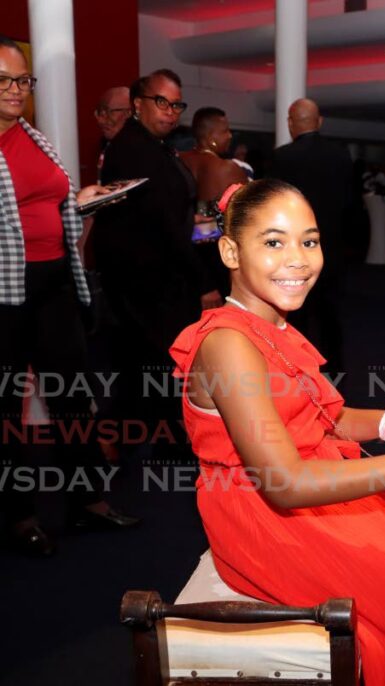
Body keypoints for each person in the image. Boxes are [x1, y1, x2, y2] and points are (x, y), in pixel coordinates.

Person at [169, 179, 385, 685]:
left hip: (302, 488)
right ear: (229, 251)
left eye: (309, 241)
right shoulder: (228, 344)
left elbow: (323, 417)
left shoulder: (273, 324)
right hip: (262, 515)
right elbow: (284, 483)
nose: (298, 259)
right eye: (274, 242)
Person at [0, 36, 138, 557]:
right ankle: (17, 516)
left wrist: (81, 202)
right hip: (5, 291)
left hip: (55, 279)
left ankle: (87, 503)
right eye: (4, 80)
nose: (16, 90)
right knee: (6, 410)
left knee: (73, 397)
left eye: (22, 80)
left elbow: (48, 203)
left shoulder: (33, 137)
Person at [91, 68, 221, 460]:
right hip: (148, 281)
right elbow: (162, 226)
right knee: (158, 366)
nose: (170, 111)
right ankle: (145, 442)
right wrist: (204, 284)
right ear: (137, 104)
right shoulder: (135, 148)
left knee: (146, 366)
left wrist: (196, 222)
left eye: (176, 104)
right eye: (161, 102)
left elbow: (168, 213)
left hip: (153, 278)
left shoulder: (151, 144)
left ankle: (121, 440)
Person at [268, 98, 353, 362]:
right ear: (320, 122)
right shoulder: (340, 155)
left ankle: (297, 365)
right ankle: (335, 370)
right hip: (332, 247)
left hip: (293, 249)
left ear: (290, 124)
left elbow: (271, 207)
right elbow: (350, 203)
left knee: (296, 312)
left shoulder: (281, 157)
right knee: (331, 314)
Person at [180, 107, 249, 295]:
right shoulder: (224, 168)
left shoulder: (179, 161)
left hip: (181, 266)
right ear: (210, 136)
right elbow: (211, 231)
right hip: (217, 266)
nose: (230, 136)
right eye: (225, 130)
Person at [93, 86, 130, 177]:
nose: (100, 121)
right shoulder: (106, 147)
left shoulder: (145, 151)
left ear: (130, 112)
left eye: (109, 112)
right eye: (100, 113)